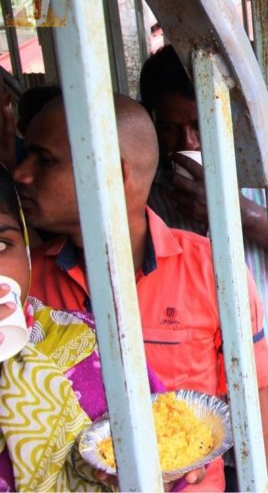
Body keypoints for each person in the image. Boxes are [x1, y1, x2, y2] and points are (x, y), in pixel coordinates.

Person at [13, 95, 268, 492]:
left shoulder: (213, 270)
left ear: (112, 175)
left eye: (44, 160)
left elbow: (254, 415)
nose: (20, 173)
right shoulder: (25, 282)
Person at [139, 45, 268, 492]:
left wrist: (237, 212)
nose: (187, 143)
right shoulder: (145, 197)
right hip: (185, 421)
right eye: (170, 128)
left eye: (198, 125)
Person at [0, 166, 204, 491]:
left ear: (25, 251)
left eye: (1, 244)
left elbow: (163, 448)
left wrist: (164, 474)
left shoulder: (86, 342)